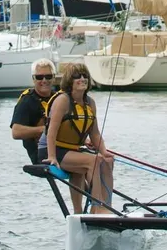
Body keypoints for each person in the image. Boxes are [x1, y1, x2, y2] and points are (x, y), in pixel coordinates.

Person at [41, 62, 114, 215]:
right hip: (53, 150)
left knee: (106, 160)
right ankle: (97, 208)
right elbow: (51, 132)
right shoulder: (63, 100)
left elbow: (95, 134)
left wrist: (104, 152)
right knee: (94, 161)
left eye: (85, 76)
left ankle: (105, 207)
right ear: (70, 81)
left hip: (73, 151)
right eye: (77, 76)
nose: (82, 79)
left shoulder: (90, 103)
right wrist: (52, 157)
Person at [10, 58, 57, 164]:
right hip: (41, 154)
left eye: (48, 76)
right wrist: (46, 130)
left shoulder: (58, 98)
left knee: (97, 159)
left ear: (54, 78)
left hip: (62, 147)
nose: (44, 80)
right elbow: (16, 132)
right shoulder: (26, 101)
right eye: (39, 77)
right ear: (33, 79)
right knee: (89, 162)